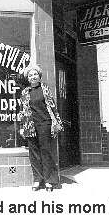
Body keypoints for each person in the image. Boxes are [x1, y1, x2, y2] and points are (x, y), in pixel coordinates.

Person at [19, 64, 63, 192]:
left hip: (45, 123)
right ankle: (37, 179)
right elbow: (22, 111)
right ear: (28, 78)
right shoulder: (25, 92)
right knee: (34, 154)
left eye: (35, 74)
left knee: (46, 152)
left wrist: (57, 122)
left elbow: (53, 106)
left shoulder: (45, 89)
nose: (33, 77)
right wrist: (22, 126)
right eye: (30, 75)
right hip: (30, 126)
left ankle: (49, 180)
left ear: (39, 76)